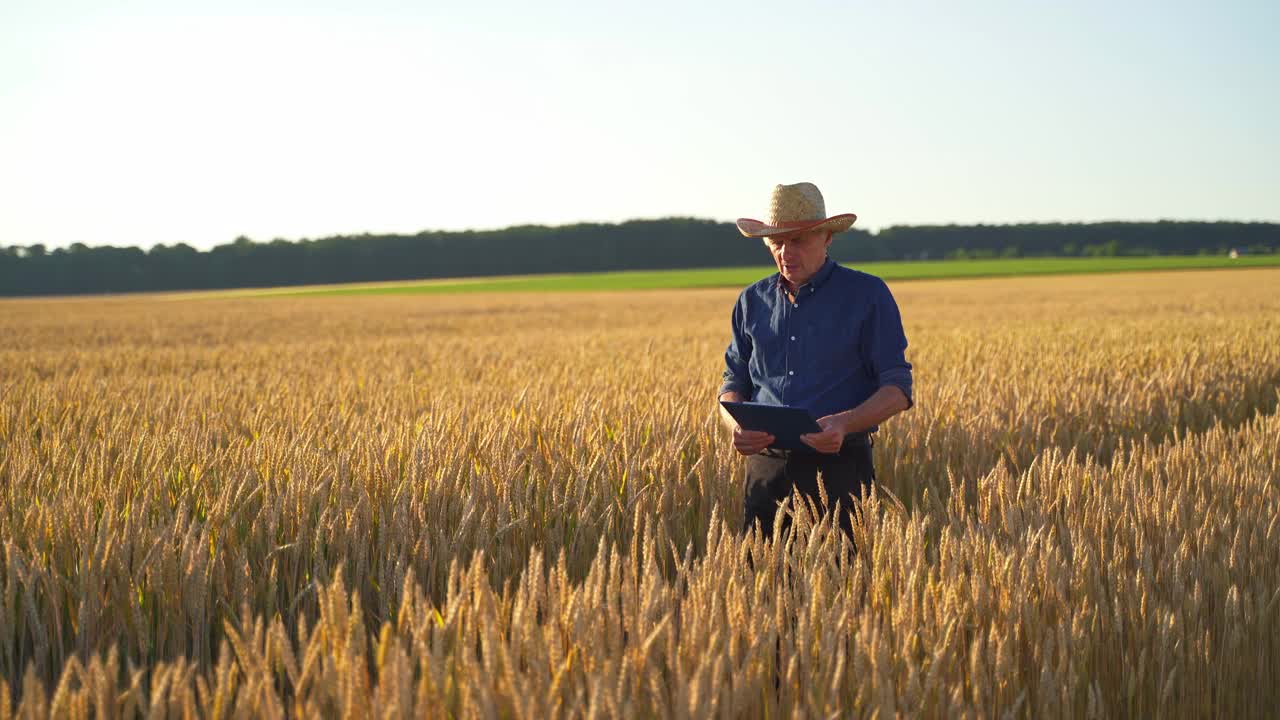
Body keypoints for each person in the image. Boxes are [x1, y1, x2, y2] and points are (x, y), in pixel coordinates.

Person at [718, 182, 913, 547]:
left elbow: (897, 389)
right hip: (766, 470)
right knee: (762, 590)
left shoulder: (867, 295)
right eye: (777, 242)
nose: (786, 252)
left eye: (799, 240)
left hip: (840, 467)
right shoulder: (751, 301)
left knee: (844, 590)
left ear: (827, 238)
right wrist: (735, 423)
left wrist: (844, 423)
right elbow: (734, 380)